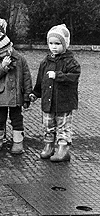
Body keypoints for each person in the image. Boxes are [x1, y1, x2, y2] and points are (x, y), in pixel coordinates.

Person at [31, 24, 80, 162]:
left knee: (63, 126)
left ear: (65, 44)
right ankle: (48, 146)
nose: (54, 46)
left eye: (57, 43)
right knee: (48, 125)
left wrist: (58, 76)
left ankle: (63, 149)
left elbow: (73, 77)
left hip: (64, 102)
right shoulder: (45, 62)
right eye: (51, 43)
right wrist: (36, 93)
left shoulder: (71, 62)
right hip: (48, 101)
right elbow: (41, 80)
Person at [0, 18, 33, 154]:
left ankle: (18, 142)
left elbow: (26, 77)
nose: (3, 54)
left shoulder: (19, 58)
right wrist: (3, 67)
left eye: (5, 51)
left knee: (17, 119)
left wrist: (27, 95)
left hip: (16, 96)